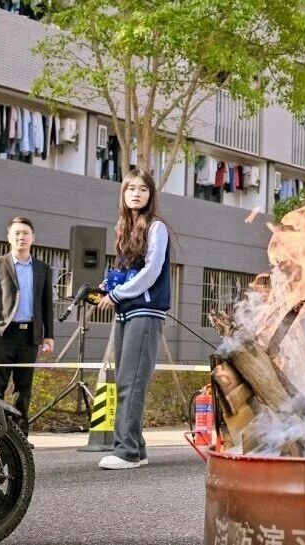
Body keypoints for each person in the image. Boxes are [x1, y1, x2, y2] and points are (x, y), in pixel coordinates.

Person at [95, 170, 172, 470]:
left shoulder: (157, 227)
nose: (136, 194)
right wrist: (110, 286)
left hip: (145, 311)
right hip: (127, 311)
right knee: (126, 379)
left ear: (151, 195)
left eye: (142, 189)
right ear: (123, 193)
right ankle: (136, 447)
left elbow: (152, 271)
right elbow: (131, 272)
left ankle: (126, 451)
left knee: (131, 380)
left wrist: (117, 294)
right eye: (131, 189)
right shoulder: (125, 228)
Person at [0, 217, 56, 434]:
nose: (21, 237)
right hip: (1, 335)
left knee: (23, 389)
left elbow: (46, 304)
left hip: (30, 336)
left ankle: (20, 437)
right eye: (16, 233)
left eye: (25, 233)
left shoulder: (42, 268)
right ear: (9, 238)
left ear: (33, 238)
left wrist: (48, 335)